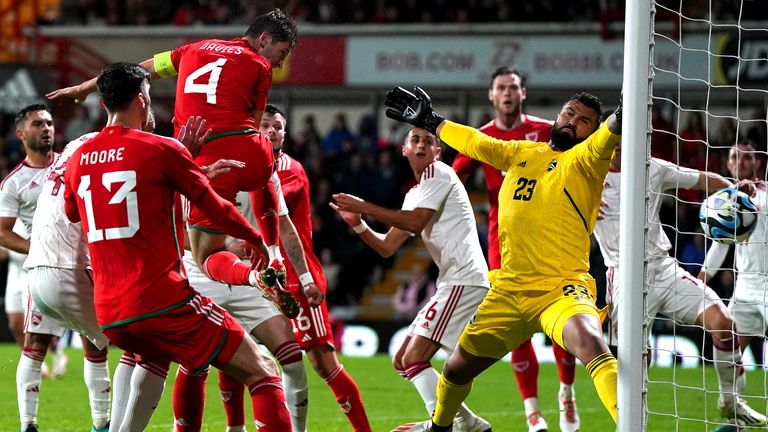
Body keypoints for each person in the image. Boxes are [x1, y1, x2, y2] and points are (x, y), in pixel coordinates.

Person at [62, 62, 292, 431]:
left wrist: (180, 170)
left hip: (111, 313)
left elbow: (78, 212)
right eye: (150, 98)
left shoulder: (78, 158)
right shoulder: (161, 149)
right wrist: (255, 239)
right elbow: (215, 208)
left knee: (155, 357)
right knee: (262, 370)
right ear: (141, 99)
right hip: (162, 301)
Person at [384, 86, 622, 431]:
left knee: (590, 342)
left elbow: (608, 133)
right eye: (569, 113)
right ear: (557, 117)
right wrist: (431, 121)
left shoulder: (587, 159)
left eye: (584, 120)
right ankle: (441, 427)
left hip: (561, 288)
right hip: (510, 289)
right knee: (455, 369)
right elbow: (479, 144)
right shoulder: (524, 152)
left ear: (591, 130)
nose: (573, 121)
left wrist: (622, 113)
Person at [47, 8, 299, 317]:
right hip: (248, 153)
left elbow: (135, 73)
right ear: (264, 40)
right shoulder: (260, 65)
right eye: (282, 53)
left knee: (206, 257)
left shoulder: (192, 49)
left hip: (200, 155)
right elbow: (253, 122)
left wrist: (85, 87)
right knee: (264, 169)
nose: (280, 62)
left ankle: (254, 276)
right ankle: (272, 254)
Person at [594, 140, 767, 427]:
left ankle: (730, 401)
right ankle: (631, 421)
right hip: (623, 275)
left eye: (625, 144)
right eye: (614, 144)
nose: (619, 149)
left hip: (663, 268)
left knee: (723, 322)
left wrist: (731, 188)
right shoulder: (588, 176)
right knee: (635, 359)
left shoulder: (651, 168)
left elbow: (702, 179)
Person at [331, 127, 492, 432]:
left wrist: (363, 205)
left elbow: (416, 222)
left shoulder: (439, 173)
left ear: (437, 152)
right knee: (403, 359)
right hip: (452, 280)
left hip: (464, 278)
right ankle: (469, 423)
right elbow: (387, 247)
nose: (421, 144)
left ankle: (440, 425)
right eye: (414, 140)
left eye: (428, 141)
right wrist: (359, 224)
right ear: (404, 149)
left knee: (415, 357)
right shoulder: (415, 193)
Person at [452, 66, 579, 432]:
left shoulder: (545, 131)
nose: (507, 93)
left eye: (513, 87)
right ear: (491, 96)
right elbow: (452, 178)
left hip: (550, 238)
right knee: (515, 324)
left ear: (523, 93)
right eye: (501, 88)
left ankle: (567, 393)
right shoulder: (484, 138)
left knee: (560, 316)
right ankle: (532, 410)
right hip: (502, 243)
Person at [268, 104, 373, 431]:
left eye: (278, 126)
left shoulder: (289, 169)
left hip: (297, 279)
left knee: (323, 363)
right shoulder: (245, 169)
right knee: (251, 362)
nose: (272, 131)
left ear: (285, 135)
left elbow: (269, 209)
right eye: (266, 125)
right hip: (260, 277)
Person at [0, 104, 70, 432]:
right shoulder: (14, 183)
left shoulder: (71, 165)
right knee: (27, 335)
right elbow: (2, 230)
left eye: (49, 123)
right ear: (21, 134)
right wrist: (38, 248)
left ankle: (103, 420)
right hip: (37, 267)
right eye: (37, 123)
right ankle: (28, 424)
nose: (46, 128)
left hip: (80, 263)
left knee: (98, 344)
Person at [699, 142, 768, 426]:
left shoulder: (764, 193)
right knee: (731, 349)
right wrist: (701, 278)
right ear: (727, 166)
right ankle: (736, 420)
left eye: (746, 157)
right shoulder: (728, 199)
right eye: (733, 157)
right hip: (745, 286)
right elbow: (721, 244)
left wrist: (755, 192)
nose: (739, 161)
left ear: (757, 164)